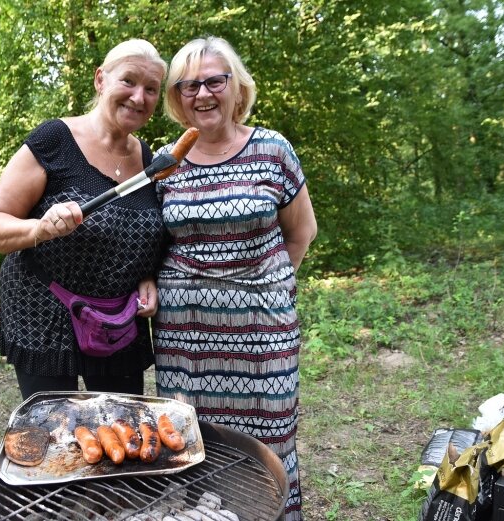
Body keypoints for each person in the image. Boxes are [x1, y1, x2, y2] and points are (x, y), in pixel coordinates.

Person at [153, 37, 317, 520]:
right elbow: (153, 242)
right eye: (188, 86)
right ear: (177, 97)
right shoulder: (165, 162)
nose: (202, 94)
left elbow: (301, 232)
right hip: (185, 334)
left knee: (267, 440)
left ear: (236, 87)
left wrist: (263, 287)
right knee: (195, 440)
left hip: (261, 330)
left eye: (214, 81)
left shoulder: (272, 148)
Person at [0, 39, 168, 400]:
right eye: (128, 81)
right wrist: (39, 228)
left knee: (123, 426)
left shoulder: (148, 158)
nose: (139, 97)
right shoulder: (55, 140)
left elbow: (138, 234)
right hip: (45, 312)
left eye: (151, 89)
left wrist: (146, 275)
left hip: (116, 319)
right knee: (55, 432)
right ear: (100, 80)